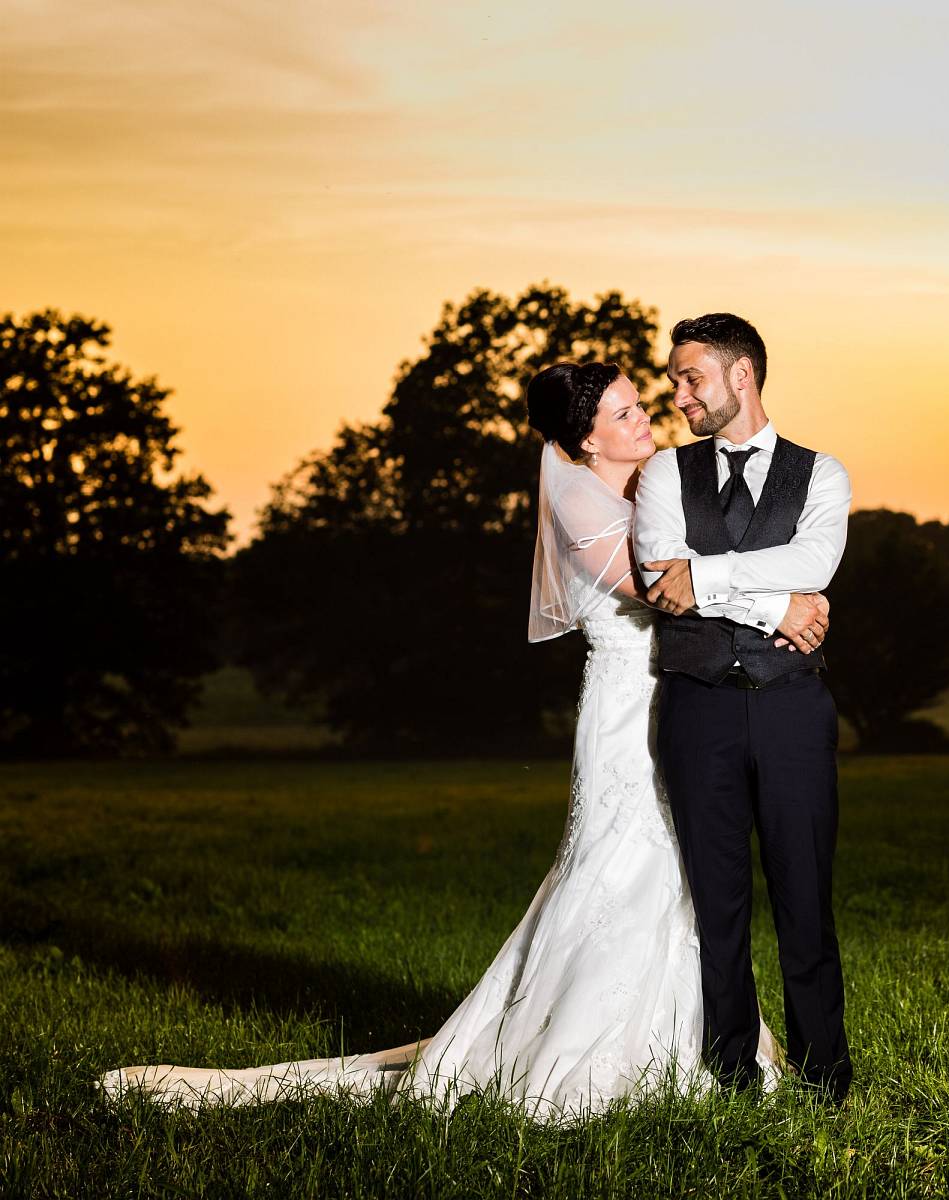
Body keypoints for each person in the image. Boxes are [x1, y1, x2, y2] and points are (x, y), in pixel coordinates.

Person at [98, 359, 822, 1121]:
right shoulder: (577, 502)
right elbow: (658, 591)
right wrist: (780, 604)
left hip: (678, 695)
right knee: (624, 864)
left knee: (680, 865)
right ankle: (589, 1053)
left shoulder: (654, 485)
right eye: (624, 414)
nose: (645, 419)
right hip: (622, 710)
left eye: (641, 405)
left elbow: (705, 563)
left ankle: (698, 1040)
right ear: (584, 439)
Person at [633, 313, 854, 1103]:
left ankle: (826, 1077)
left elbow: (814, 560)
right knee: (717, 902)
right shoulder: (664, 474)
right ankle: (730, 1077)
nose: (679, 396)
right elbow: (662, 577)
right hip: (698, 711)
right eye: (674, 382)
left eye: (690, 378)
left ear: (741, 376)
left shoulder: (822, 474)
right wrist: (776, 608)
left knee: (805, 894)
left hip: (793, 708)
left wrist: (709, 580)